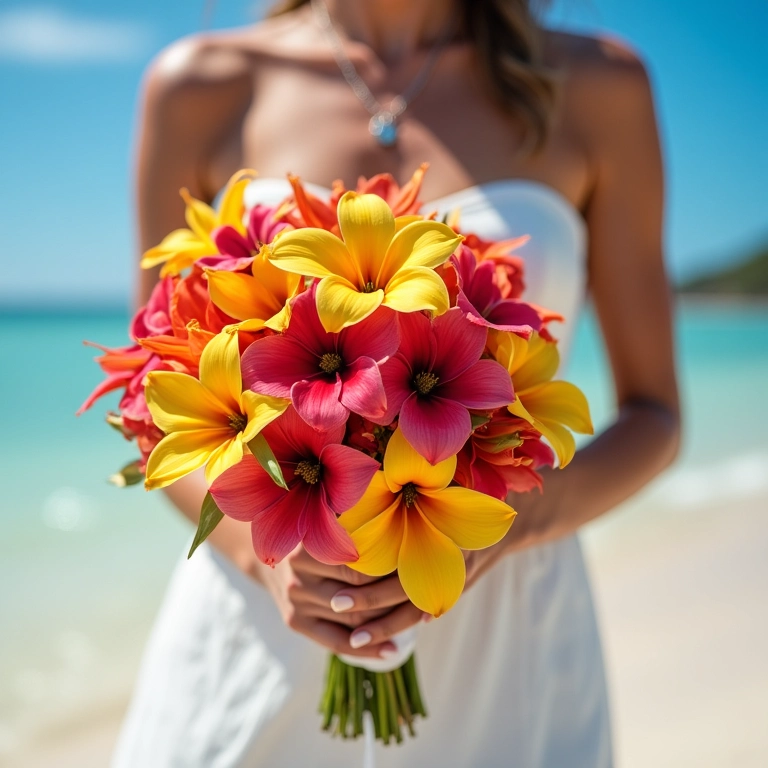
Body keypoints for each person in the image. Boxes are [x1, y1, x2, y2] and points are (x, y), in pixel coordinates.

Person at [113, 1, 680, 765]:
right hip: (269, 613)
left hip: (506, 613)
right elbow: (155, 392)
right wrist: (263, 557)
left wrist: (511, 523)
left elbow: (655, 414)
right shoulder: (199, 83)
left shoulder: (599, 84)